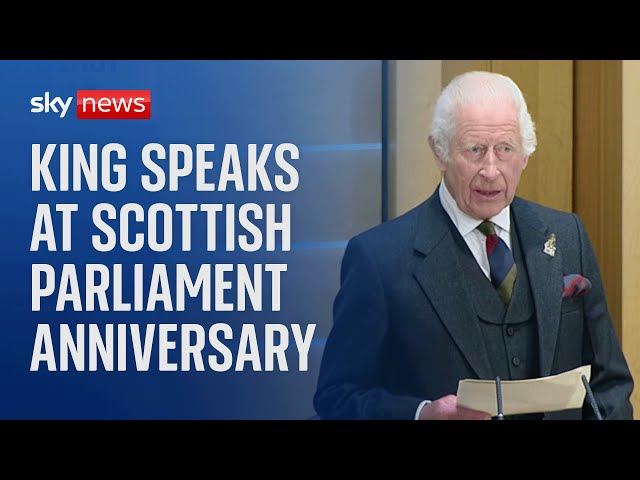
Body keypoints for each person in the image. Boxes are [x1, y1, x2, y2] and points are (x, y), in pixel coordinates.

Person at [313, 70, 634, 420]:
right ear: (439, 152)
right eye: (475, 150)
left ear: (525, 154)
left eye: (505, 149)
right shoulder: (379, 259)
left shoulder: (567, 235)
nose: (491, 170)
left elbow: (610, 383)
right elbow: (337, 398)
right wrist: (422, 414)